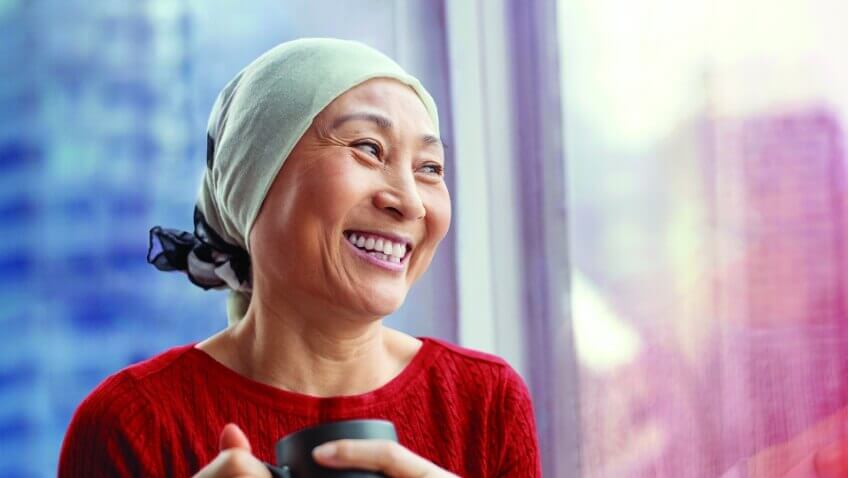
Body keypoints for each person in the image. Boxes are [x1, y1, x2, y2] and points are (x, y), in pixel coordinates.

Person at [57, 38, 542, 477]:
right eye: (368, 149)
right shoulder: (130, 422)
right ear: (254, 184)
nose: (411, 202)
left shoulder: (486, 402)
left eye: (430, 168)